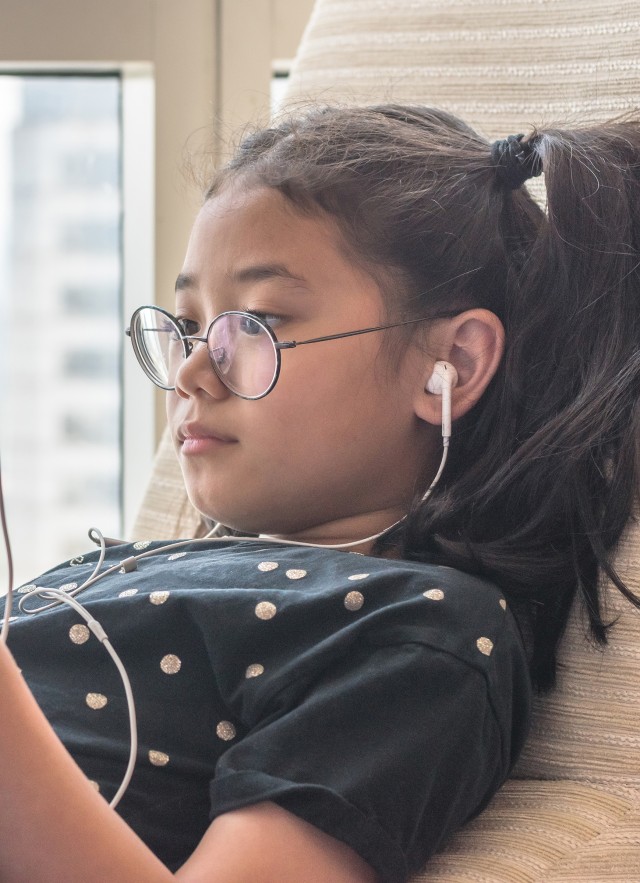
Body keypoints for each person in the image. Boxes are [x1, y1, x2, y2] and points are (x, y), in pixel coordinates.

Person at [1, 104, 640, 883]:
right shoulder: (137, 564)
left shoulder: (418, 634)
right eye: (191, 324)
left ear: (454, 364)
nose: (194, 373)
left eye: (255, 324)